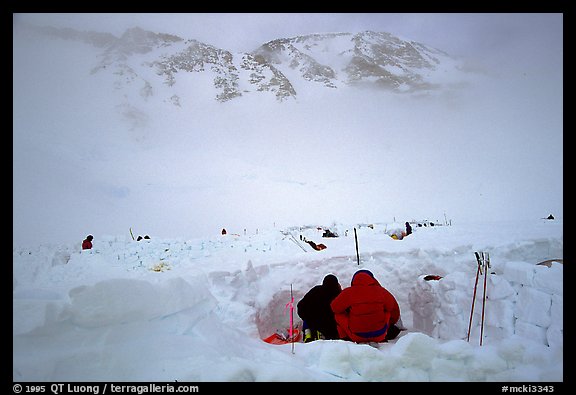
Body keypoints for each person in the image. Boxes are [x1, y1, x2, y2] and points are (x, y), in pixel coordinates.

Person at [331, 269, 401, 343]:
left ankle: (344, 337)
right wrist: (391, 322)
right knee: (387, 312)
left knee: (338, 315)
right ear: (372, 279)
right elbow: (391, 307)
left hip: (357, 336)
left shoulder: (348, 292)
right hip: (379, 335)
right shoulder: (381, 291)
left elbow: (334, 308)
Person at [297, 274, 342, 342]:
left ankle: (308, 332)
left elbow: (301, 306)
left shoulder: (316, 290)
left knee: (306, 315)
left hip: (315, 323)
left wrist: (306, 318)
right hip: (332, 328)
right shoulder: (339, 294)